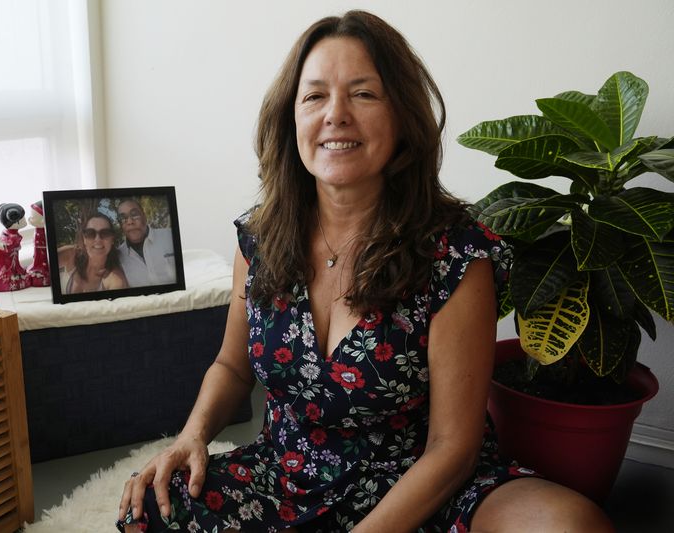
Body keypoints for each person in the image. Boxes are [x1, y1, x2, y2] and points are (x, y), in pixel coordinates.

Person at [118, 10, 614, 533]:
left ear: (402, 116)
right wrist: (192, 435)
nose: (336, 115)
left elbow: (453, 448)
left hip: (424, 488)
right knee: (149, 505)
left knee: (571, 524)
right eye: (314, 96)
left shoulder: (457, 254)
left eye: (363, 93)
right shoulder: (260, 239)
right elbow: (232, 367)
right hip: (287, 480)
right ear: (292, 117)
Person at [57, 212, 128, 294]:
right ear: (84, 239)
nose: (98, 240)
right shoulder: (71, 255)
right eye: (90, 233)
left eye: (105, 233)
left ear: (112, 239)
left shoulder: (115, 280)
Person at [116, 197, 177, 287]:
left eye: (134, 214)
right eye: (123, 218)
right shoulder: (119, 257)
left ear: (144, 216)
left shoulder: (170, 236)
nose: (129, 222)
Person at [0, 202, 30, 292]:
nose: (25, 220)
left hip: (10, 258)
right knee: (5, 269)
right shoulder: (10, 235)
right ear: (15, 220)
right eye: (23, 218)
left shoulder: (14, 236)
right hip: (5, 260)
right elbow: (7, 247)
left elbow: (9, 247)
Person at [26, 200, 51, 287]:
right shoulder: (37, 230)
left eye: (32, 217)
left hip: (42, 251)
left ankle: (42, 269)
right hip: (37, 250)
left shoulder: (43, 232)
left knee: (41, 260)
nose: (29, 219)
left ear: (43, 220)